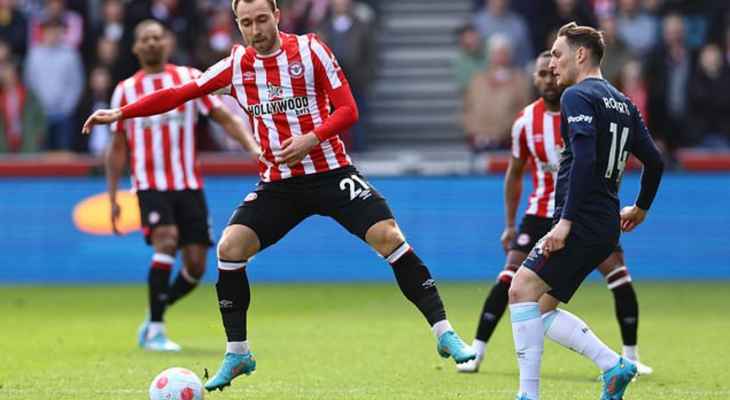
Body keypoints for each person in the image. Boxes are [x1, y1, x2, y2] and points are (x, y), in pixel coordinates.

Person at [82, 0, 476, 391]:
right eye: (246, 23)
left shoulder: (311, 50)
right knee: (230, 248)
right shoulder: (235, 66)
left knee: (389, 236)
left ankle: (444, 332)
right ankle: (238, 354)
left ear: (277, 15)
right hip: (280, 184)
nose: (256, 30)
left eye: (261, 19)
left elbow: (348, 110)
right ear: (238, 25)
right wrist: (121, 114)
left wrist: (311, 138)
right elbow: (180, 93)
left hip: (331, 171)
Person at [458, 51, 653, 376]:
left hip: (581, 215)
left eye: (553, 72)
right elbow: (515, 173)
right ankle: (476, 351)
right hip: (540, 215)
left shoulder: (584, 111)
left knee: (618, 275)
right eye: (542, 74)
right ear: (535, 78)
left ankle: (629, 357)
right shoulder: (525, 122)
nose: (549, 79)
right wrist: (509, 224)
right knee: (510, 279)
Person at [508, 22, 664, 400]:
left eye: (558, 55)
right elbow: (655, 162)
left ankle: (529, 395)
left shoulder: (577, 97)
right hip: (605, 223)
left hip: (581, 221)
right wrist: (640, 209)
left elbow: (583, 158)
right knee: (540, 309)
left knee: (520, 289)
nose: (553, 64)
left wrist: (564, 222)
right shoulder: (623, 103)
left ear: (581, 55)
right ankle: (614, 366)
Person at [100, 20, 259, 352]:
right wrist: (113, 195)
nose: (152, 43)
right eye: (145, 39)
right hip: (150, 185)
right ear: (135, 48)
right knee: (166, 240)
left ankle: (155, 311)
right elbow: (116, 149)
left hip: (187, 184)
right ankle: (157, 329)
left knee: (197, 266)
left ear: (167, 42)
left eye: (158, 37)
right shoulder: (125, 90)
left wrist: (252, 146)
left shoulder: (188, 78)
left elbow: (223, 117)